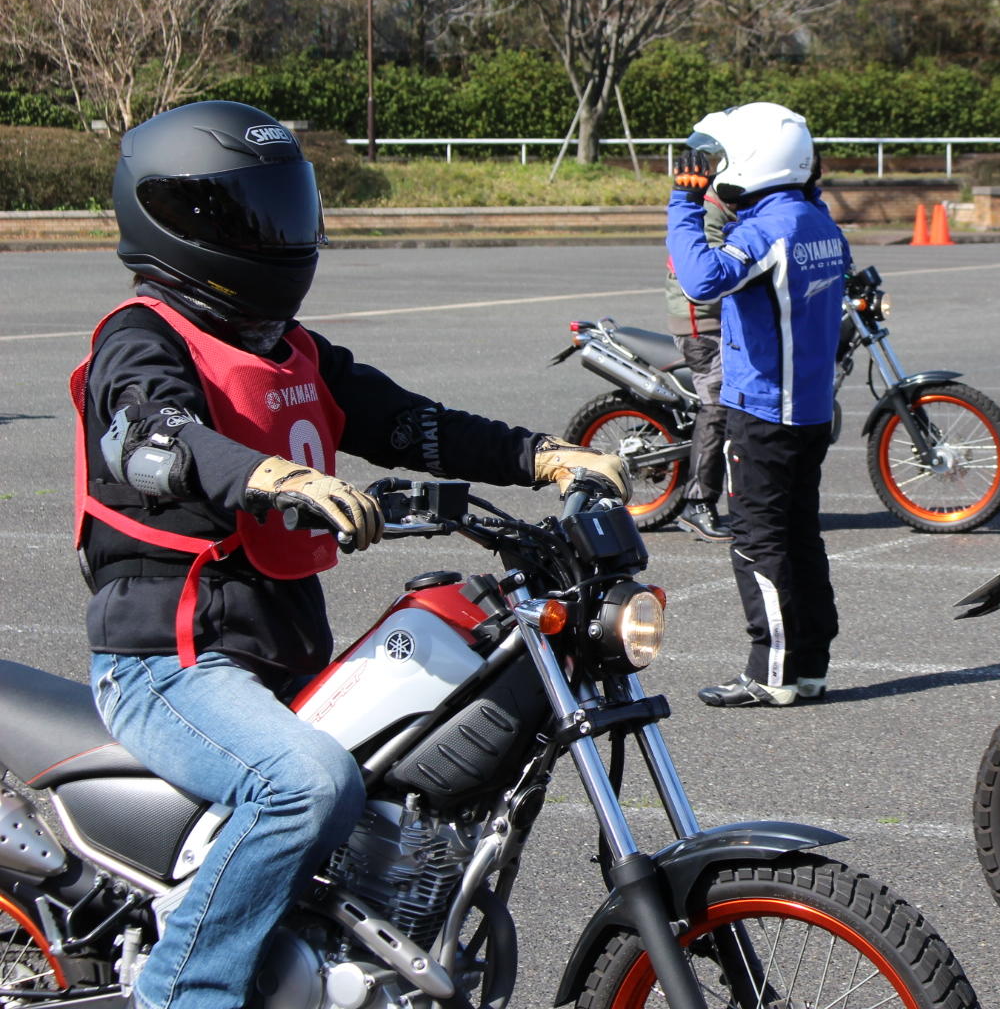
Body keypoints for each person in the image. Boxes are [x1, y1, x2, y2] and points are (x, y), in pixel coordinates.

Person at [77, 101, 628, 1009]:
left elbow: (406, 420)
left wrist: (539, 454)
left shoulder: (290, 349)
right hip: (168, 664)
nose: (280, 232)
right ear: (179, 219)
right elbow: (150, 433)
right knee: (305, 786)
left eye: (283, 206)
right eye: (251, 212)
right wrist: (267, 477)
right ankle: (182, 992)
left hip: (276, 653)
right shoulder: (140, 341)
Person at [665, 103, 848, 709]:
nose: (710, 169)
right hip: (810, 409)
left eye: (718, 158)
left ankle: (768, 672)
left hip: (767, 410)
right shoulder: (818, 222)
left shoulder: (767, 232)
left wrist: (683, 204)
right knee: (799, 536)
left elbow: (700, 280)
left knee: (756, 540)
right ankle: (809, 666)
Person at [661, 188, 737, 541]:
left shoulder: (740, 203)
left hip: (726, 318)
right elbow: (706, 269)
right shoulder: (711, 207)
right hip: (702, 324)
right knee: (719, 402)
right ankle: (697, 503)